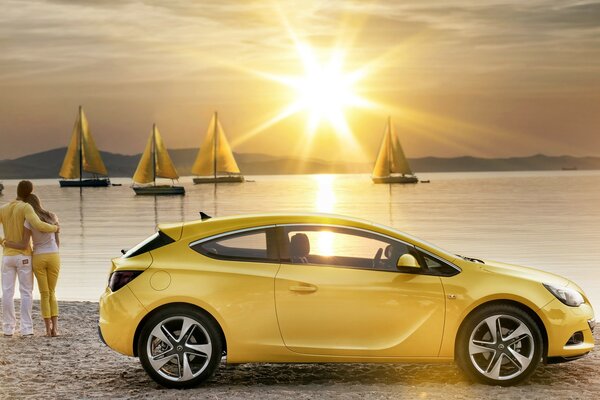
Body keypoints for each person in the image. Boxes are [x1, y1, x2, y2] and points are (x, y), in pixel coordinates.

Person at [0, 181, 58, 337]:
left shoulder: (3, 208)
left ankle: (7, 328)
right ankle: (26, 329)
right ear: (30, 191)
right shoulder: (26, 207)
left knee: (7, 292)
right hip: (24, 256)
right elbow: (38, 224)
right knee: (26, 292)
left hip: (7, 256)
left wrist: (2, 241)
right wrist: (55, 228)